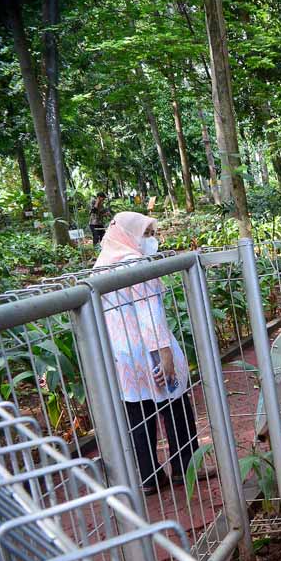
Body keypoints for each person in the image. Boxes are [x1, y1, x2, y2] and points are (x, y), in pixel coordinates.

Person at [94, 212, 203, 496]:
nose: (152, 240)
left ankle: (149, 476)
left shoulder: (102, 263)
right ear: (129, 235)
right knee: (175, 404)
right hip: (148, 349)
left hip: (121, 353)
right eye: (146, 233)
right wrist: (164, 353)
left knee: (138, 412)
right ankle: (186, 469)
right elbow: (149, 313)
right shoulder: (135, 264)